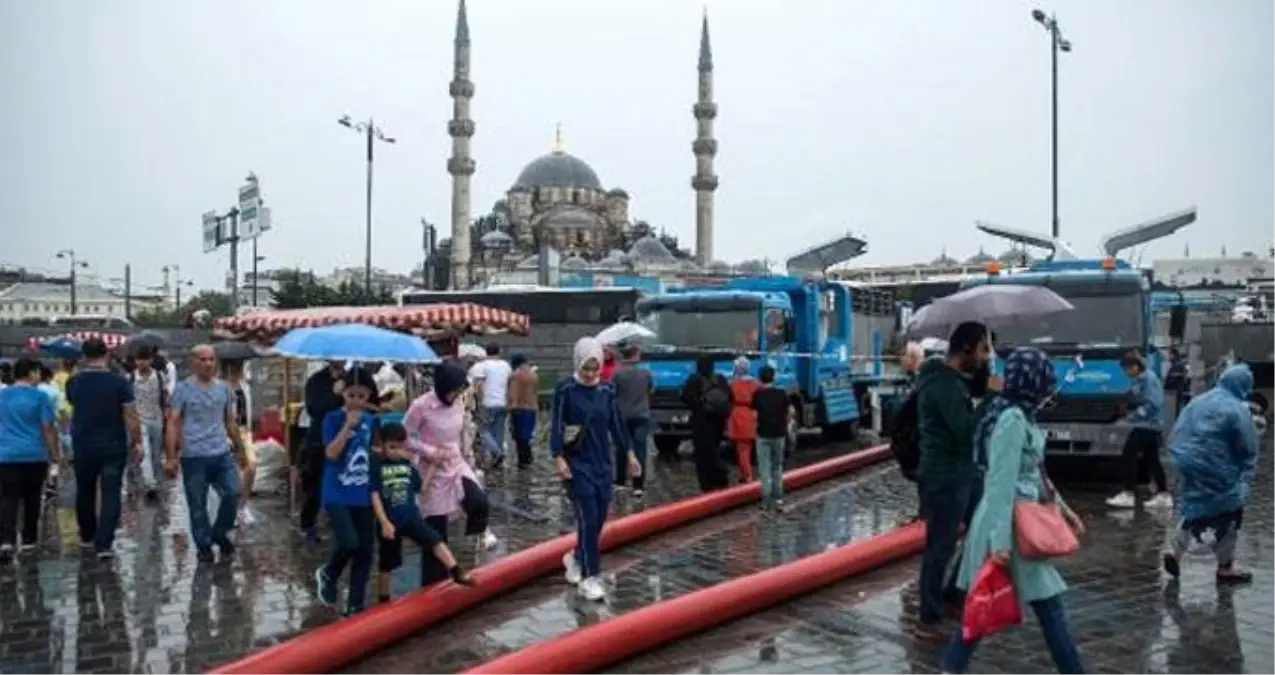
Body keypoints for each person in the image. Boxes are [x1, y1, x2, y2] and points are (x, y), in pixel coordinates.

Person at [939, 347, 1087, 675]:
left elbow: (1035, 473)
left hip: (1015, 523)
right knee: (1048, 610)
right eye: (1045, 379)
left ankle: (949, 670)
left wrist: (1063, 509)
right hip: (1008, 527)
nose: (1049, 386)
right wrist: (1000, 544)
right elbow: (1000, 483)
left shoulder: (1022, 416)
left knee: (985, 606)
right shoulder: (1012, 420)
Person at [913, 321, 989, 639]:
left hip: (965, 471)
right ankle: (929, 616)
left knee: (983, 528)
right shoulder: (942, 385)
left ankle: (953, 593)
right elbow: (964, 430)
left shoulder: (955, 382)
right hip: (945, 475)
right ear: (966, 349)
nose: (987, 356)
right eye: (984, 349)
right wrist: (989, 400)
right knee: (940, 546)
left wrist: (983, 387)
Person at [551, 337, 641, 601]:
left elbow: (616, 424)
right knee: (587, 518)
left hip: (602, 462)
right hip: (577, 463)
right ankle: (591, 576)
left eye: (595, 369)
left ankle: (576, 557)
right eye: (585, 369)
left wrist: (630, 453)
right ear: (577, 364)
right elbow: (556, 423)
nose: (590, 375)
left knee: (599, 518)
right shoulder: (565, 389)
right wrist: (558, 457)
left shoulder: (607, 391)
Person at [1161, 363, 1260, 584]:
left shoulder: (1198, 401)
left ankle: (1174, 551)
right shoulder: (1237, 408)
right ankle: (1225, 567)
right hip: (1217, 467)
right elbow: (1247, 447)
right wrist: (1244, 474)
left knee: (1192, 507)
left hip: (1185, 463)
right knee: (1231, 513)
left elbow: (1178, 429)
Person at [403, 361, 494, 584]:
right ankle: (433, 582)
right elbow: (405, 435)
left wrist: (470, 457)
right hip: (432, 469)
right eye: (453, 391)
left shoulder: (459, 403)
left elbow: (462, 432)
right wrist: (429, 451)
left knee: (478, 501)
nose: (456, 395)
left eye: (459, 391)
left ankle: (476, 539)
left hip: (456, 462)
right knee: (435, 530)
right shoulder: (421, 405)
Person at [371, 422, 474, 602]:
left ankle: (455, 570)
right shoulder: (378, 467)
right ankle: (383, 598)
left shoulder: (409, 467)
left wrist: (433, 467)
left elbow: (421, 488)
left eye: (400, 447)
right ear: (383, 447)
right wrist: (384, 522)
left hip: (411, 517)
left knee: (434, 539)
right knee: (386, 562)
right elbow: (374, 495)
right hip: (391, 521)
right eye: (391, 447)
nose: (396, 451)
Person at [164, 344, 245, 563]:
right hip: (194, 454)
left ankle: (220, 531)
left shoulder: (224, 388)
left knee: (233, 492)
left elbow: (229, 420)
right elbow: (174, 421)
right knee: (197, 504)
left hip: (220, 451)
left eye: (211, 359)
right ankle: (203, 544)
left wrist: (240, 448)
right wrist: (171, 456)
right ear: (193, 362)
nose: (208, 364)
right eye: (203, 359)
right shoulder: (182, 389)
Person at [66, 337, 141, 559]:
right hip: (113, 445)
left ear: (83, 357)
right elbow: (131, 416)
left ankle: (87, 535)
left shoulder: (74, 383)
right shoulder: (119, 382)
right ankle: (105, 542)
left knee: (85, 489)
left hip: (83, 443)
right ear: (107, 355)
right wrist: (136, 441)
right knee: (111, 492)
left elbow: (73, 405)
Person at [313, 371, 379, 615]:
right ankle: (329, 573)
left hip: (363, 492)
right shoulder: (331, 418)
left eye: (361, 396)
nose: (356, 401)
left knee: (365, 551)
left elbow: (374, 453)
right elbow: (331, 453)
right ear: (343, 394)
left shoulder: (372, 421)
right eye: (351, 395)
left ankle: (355, 604)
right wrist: (347, 428)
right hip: (336, 492)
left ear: (368, 397)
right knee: (349, 541)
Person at [300, 360, 378, 543]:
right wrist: (336, 396)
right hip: (322, 440)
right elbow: (314, 410)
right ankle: (309, 525)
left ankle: (343, 523)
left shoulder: (357, 375)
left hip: (356, 443)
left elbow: (374, 401)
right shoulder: (316, 381)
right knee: (316, 487)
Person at [0, 358, 62, 562]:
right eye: (36, 372)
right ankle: (29, 539)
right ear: (31, 373)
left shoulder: (3, 395)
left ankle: (6, 539)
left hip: (7, 454)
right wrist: (55, 454)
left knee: (8, 497)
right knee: (32, 497)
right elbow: (47, 427)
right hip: (34, 455)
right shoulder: (40, 397)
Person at [1106, 351, 1172, 509]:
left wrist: (1131, 417)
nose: (1126, 373)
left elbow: (1152, 404)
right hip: (1149, 425)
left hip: (1148, 425)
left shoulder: (1148, 380)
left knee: (1129, 454)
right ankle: (1163, 494)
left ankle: (1129, 493)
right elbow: (1133, 396)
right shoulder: (1140, 380)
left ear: (1135, 367)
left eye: (1126, 369)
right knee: (1152, 459)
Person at [680, 356, 731, 492]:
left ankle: (707, 484)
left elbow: (685, 397)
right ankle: (719, 477)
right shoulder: (720, 379)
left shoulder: (694, 379)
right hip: (718, 421)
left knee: (702, 454)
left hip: (701, 420)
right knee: (714, 448)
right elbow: (729, 397)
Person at [611, 345, 653, 497]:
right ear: (635, 355)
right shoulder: (646, 373)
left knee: (622, 447)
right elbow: (650, 390)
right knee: (640, 449)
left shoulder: (617, 374)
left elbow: (612, 393)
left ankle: (621, 481)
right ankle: (638, 485)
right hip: (641, 415)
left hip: (622, 415)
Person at [222, 359, 260, 525]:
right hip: (226, 432)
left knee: (251, 466)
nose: (237, 369)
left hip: (245, 431)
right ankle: (231, 509)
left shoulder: (245, 384)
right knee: (233, 472)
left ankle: (243, 506)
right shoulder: (221, 386)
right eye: (234, 366)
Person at [129, 347, 168, 501]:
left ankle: (157, 482)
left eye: (144, 359)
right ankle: (150, 484)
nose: (141, 363)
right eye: (139, 359)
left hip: (156, 418)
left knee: (156, 454)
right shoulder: (131, 378)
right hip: (139, 420)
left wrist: (166, 412)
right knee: (143, 450)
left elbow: (164, 395)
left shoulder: (159, 376)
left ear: (151, 360)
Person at [752, 365, 789, 512]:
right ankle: (779, 499)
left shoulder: (758, 395)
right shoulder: (782, 393)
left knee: (764, 469)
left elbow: (754, 413)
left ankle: (766, 501)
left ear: (760, 379)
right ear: (774, 377)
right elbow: (788, 411)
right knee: (777, 468)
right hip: (779, 434)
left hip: (763, 434)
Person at [468, 344, 512, 469]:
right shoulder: (506, 366)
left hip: (487, 403)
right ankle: (498, 457)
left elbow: (479, 386)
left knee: (482, 430)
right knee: (499, 432)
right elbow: (509, 383)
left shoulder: (480, 367)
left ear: (486, 352)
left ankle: (496, 452)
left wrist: (479, 402)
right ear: (500, 351)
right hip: (502, 402)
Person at [727, 356, 760, 484]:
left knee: (742, 449)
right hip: (752, 414)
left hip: (738, 415)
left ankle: (747, 475)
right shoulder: (755, 384)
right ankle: (746, 474)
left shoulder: (733, 384)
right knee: (748, 448)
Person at [507, 354, 539, 468]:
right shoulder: (534, 375)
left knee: (519, 436)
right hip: (531, 408)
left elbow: (512, 393)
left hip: (519, 408)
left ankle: (524, 459)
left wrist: (511, 406)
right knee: (527, 434)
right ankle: (527, 457)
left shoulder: (515, 375)